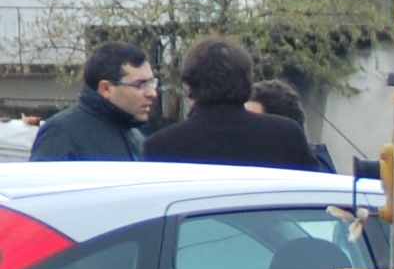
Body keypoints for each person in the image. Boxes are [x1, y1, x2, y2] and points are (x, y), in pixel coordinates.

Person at [142, 37, 317, 171]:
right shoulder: (286, 136)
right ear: (248, 81)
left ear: (189, 87)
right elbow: (318, 202)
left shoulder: (161, 147)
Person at [28, 42, 157, 161]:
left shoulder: (135, 136)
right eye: (140, 85)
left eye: (151, 83)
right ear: (106, 89)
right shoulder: (60, 134)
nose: (152, 93)